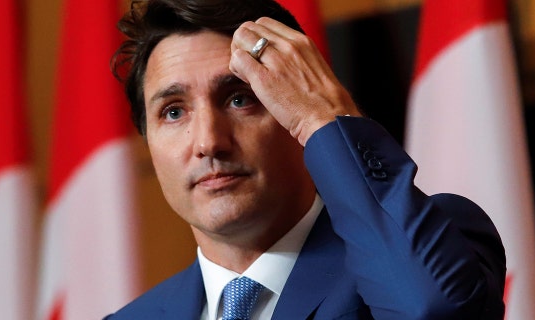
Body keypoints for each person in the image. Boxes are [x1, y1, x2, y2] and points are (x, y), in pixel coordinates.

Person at [105, 0, 506, 319]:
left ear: (292, 110)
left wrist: (322, 117)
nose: (209, 142)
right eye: (174, 112)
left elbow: (430, 311)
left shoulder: (435, 244)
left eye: (240, 99)